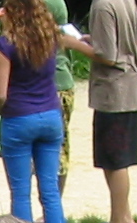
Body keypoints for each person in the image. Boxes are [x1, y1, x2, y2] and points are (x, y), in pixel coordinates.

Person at [70, 0, 137, 223]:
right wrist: (98, 39)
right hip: (130, 87)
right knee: (116, 159)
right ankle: (124, 219)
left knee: (115, 162)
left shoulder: (101, 6)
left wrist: (73, 44)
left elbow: (108, 57)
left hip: (113, 93)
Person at [0, 0, 67, 223]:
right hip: (51, 116)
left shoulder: (6, 44)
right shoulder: (50, 38)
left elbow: (1, 94)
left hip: (19, 118)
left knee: (20, 191)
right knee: (50, 189)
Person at [45, 0, 77, 192]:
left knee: (55, 147)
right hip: (61, 83)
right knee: (58, 146)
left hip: (54, 84)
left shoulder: (50, 3)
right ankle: (53, 202)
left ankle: (53, 200)